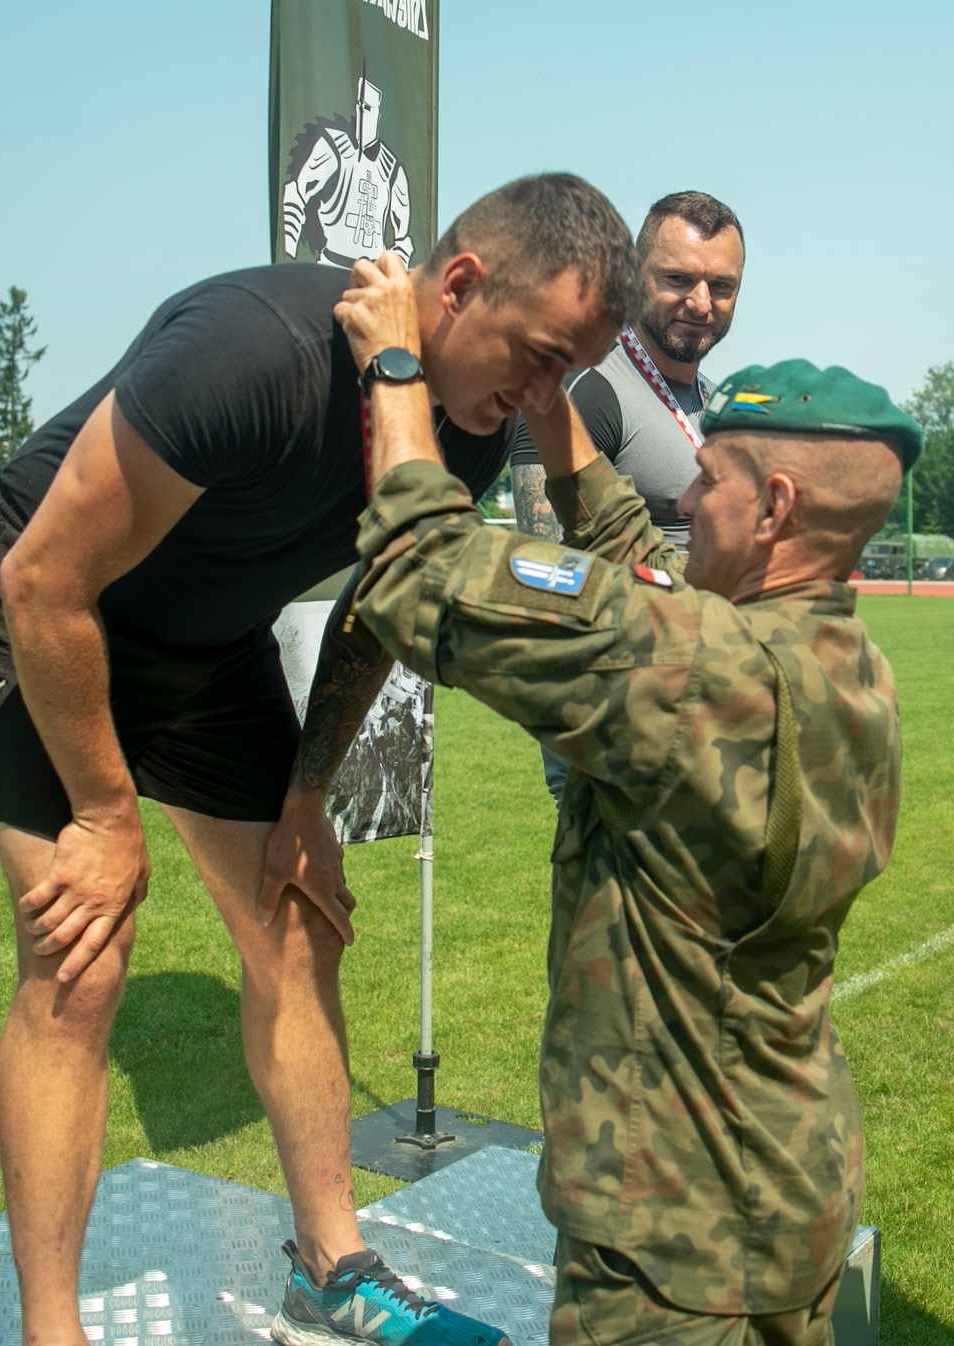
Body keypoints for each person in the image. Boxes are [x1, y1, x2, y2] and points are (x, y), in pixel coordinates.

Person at [0, 174, 643, 1346]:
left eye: (565, 376)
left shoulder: (451, 434)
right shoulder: (251, 354)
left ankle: (332, 1270)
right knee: (82, 958)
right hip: (47, 616)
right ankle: (50, 1330)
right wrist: (108, 819)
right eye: (533, 357)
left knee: (297, 914)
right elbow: (42, 578)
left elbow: (379, 610)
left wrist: (306, 794)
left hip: (206, 646)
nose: (539, 399)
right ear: (461, 283)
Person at [334, 251, 922, 1344]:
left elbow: (421, 569)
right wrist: (556, 413)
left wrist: (397, 367)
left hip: (670, 1245)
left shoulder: (699, 669)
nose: (688, 499)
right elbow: (638, 570)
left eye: (713, 483)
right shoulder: (847, 666)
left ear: (775, 507)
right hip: (789, 1185)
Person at [511, 190, 745, 805]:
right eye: (677, 279)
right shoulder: (589, 390)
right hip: (620, 707)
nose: (701, 302)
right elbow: (542, 570)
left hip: (712, 692)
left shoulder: (718, 404)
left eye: (722, 286)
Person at [283, 76, 414, 269]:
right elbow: (296, 195)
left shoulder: (393, 170)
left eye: (367, 107)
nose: (361, 110)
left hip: (372, 277)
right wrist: (288, 261)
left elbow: (403, 239)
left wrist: (394, 282)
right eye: (359, 104)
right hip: (330, 266)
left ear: (378, 114)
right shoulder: (333, 147)